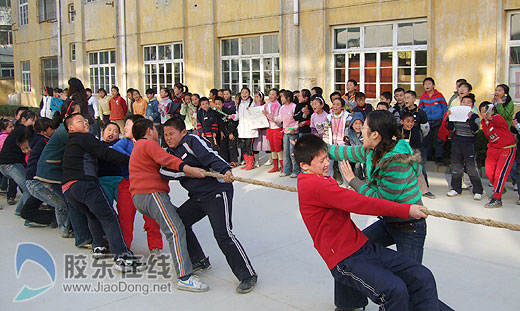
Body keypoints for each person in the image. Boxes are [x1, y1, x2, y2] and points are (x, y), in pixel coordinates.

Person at [295, 134, 441, 311]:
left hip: (361, 247)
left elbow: (344, 152)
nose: (327, 163)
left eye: (327, 158)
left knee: (421, 275)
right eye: (321, 161)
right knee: (394, 290)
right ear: (304, 166)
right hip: (344, 258)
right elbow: (362, 203)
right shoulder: (315, 185)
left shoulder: (321, 177)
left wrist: (304, 145)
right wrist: (405, 209)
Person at [160, 118, 257, 293]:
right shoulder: (169, 153)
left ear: (182, 132)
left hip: (217, 192)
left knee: (223, 234)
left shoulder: (192, 140)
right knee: (179, 222)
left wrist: (225, 169)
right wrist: (186, 170)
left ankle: (247, 275)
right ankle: (199, 259)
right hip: (198, 197)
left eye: (171, 134)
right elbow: (165, 172)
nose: (168, 138)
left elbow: (211, 155)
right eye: (165, 135)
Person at [128, 118, 209, 291]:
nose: (162, 137)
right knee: (175, 229)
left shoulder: (138, 147)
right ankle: (184, 276)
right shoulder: (147, 144)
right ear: (149, 131)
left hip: (142, 197)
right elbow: (167, 160)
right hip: (152, 194)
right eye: (160, 132)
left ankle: (197, 259)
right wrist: (189, 169)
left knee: (179, 219)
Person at [62, 113, 146, 271]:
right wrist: (134, 160)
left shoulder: (72, 143)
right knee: (110, 217)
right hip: (85, 184)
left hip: (68, 189)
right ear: (70, 127)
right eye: (81, 121)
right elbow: (106, 153)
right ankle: (123, 258)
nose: (86, 123)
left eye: (86, 120)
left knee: (93, 215)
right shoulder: (84, 138)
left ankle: (98, 246)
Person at [33, 100, 90, 243]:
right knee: (73, 202)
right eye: (77, 114)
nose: (81, 116)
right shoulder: (67, 131)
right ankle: (81, 237)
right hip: (51, 171)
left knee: (71, 201)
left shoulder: (66, 129)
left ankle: (72, 230)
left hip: (56, 169)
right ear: (68, 116)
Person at [113, 115, 163, 254]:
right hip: (127, 184)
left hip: (147, 185)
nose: (125, 128)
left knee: (152, 217)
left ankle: (155, 246)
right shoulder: (124, 142)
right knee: (125, 216)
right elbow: (115, 149)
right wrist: (136, 159)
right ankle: (124, 248)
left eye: (127, 124)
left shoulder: (150, 143)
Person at [443, 95, 483, 200]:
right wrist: (449, 118)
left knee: (471, 168)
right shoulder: (456, 114)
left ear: (472, 105)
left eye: (468, 102)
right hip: (457, 142)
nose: (465, 104)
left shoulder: (475, 117)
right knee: (456, 167)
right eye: (463, 102)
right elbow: (451, 128)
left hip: (469, 144)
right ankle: (455, 188)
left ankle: (478, 191)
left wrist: (470, 120)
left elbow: (475, 130)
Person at [20, 118, 57, 227]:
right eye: (52, 128)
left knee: (26, 211)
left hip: (34, 178)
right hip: (38, 180)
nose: (54, 131)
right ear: (43, 132)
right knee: (62, 206)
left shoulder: (36, 139)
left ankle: (52, 216)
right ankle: (55, 218)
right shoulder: (44, 142)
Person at [480, 101, 516, 208]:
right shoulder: (483, 122)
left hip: (506, 148)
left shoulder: (498, 118)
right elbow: (489, 135)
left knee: (499, 174)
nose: (485, 114)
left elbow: (495, 120)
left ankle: (497, 198)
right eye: (482, 112)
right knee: (489, 172)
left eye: (487, 111)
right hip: (493, 149)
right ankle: (499, 188)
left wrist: (491, 116)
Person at [0, 110, 37, 214]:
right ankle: (27, 213)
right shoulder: (23, 130)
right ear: (24, 119)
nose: (34, 123)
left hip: (8, 164)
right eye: (32, 120)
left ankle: (20, 210)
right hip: (11, 164)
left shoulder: (19, 129)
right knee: (28, 188)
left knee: (27, 187)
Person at [418, 77, 448, 163]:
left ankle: (439, 156)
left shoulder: (439, 95)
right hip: (427, 121)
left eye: (429, 84)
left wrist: (444, 118)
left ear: (433, 85)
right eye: (425, 84)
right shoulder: (423, 97)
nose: (427, 86)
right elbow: (420, 108)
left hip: (438, 120)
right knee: (427, 139)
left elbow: (444, 107)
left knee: (438, 139)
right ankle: (428, 156)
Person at [230, 87, 258, 171]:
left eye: (246, 92)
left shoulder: (252, 104)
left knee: (249, 147)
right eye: (242, 93)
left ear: (249, 94)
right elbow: (237, 116)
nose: (244, 94)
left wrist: (250, 110)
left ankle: (251, 164)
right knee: (243, 147)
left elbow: (256, 114)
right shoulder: (239, 104)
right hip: (242, 129)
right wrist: (232, 116)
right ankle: (246, 163)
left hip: (250, 129)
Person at [326, 97, 350, 184]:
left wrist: (345, 142)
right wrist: (326, 144)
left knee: (342, 164)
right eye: (333, 104)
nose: (335, 106)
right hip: (331, 142)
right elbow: (326, 132)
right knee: (328, 164)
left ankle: (346, 183)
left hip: (343, 143)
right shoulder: (329, 117)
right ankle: (329, 182)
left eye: (337, 104)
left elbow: (348, 132)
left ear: (342, 107)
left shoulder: (348, 117)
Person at [275, 90, 299, 177]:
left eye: (282, 97)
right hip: (285, 133)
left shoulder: (294, 106)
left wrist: (294, 128)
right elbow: (279, 119)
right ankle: (286, 170)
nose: (281, 98)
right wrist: (271, 117)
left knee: (293, 153)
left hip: (293, 133)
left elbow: (297, 120)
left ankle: (296, 171)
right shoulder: (282, 108)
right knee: (286, 153)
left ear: (288, 98)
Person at [263, 88, 284, 173]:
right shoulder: (266, 104)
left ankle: (282, 166)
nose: (270, 96)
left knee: (278, 148)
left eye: (273, 94)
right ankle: (275, 166)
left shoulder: (278, 105)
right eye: (270, 94)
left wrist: (267, 115)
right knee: (272, 148)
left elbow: (277, 118)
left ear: (277, 96)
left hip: (276, 128)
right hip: (269, 128)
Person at [215, 96, 239, 166]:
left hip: (231, 130)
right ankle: (225, 160)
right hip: (222, 132)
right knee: (223, 146)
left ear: (223, 104)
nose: (217, 106)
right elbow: (218, 124)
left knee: (232, 145)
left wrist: (231, 133)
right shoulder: (215, 113)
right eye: (216, 104)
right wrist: (221, 131)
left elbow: (234, 122)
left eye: (219, 104)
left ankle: (233, 161)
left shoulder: (229, 111)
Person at [252, 91, 271, 167]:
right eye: (255, 97)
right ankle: (257, 160)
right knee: (255, 146)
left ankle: (270, 159)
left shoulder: (266, 105)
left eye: (258, 96)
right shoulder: (253, 106)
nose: (256, 98)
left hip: (264, 128)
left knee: (267, 145)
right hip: (256, 129)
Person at [345, 112, 365, 180]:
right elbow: (351, 143)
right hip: (354, 152)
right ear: (352, 125)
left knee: (359, 164)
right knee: (356, 164)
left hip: (364, 152)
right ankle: (357, 179)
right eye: (356, 123)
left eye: (360, 123)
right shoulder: (350, 132)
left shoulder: (365, 133)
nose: (358, 126)